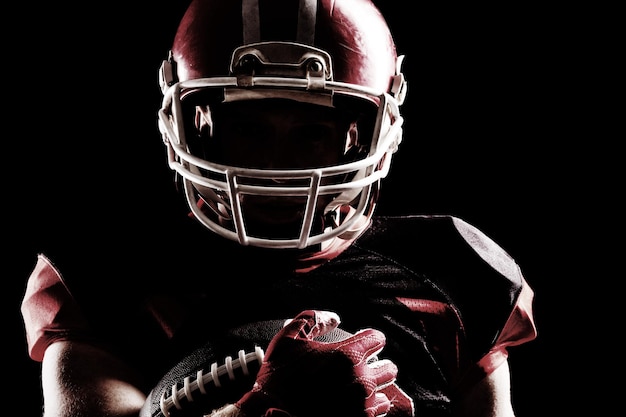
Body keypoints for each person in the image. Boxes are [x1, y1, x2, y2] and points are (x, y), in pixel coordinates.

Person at [20, 0, 537, 416]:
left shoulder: (453, 268)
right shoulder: (107, 272)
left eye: (311, 133)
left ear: (363, 135)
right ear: (199, 125)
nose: (274, 163)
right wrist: (256, 411)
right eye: (248, 128)